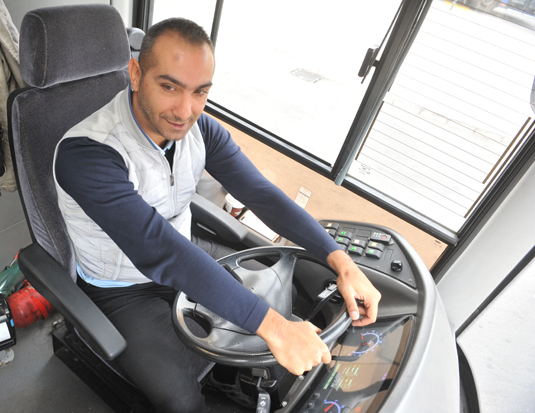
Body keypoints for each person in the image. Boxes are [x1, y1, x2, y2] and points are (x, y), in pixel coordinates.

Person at [54, 17, 381, 413]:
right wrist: (275, 329)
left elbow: (261, 194)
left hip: (186, 252)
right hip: (122, 287)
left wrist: (342, 261)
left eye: (200, 92)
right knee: (180, 402)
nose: (185, 110)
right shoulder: (86, 154)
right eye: (169, 87)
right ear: (136, 74)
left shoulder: (201, 130)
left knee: (286, 296)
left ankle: (230, 379)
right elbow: (159, 249)